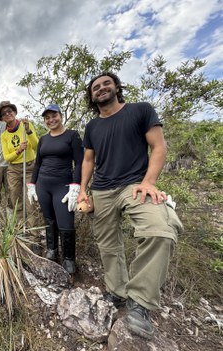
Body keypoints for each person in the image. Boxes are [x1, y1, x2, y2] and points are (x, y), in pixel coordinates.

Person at [78, 72, 183, 339]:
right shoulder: (92, 126)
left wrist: (149, 182)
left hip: (134, 185)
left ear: (116, 87)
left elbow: (159, 147)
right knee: (107, 243)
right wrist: (82, 191)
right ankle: (118, 292)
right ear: (91, 96)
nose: (101, 89)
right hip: (101, 190)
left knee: (160, 230)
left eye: (106, 84)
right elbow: (88, 160)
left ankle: (140, 303)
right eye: (95, 87)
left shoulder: (140, 111)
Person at [27, 104, 83, 273]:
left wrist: (76, 185)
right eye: (47, 118)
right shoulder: (43, 139)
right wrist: (32, 184)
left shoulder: (72, 136)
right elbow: (38, 163)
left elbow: (80, 162)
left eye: (54, 116)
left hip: (63, 185)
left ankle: (68, 258)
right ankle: (52, 250)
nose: (51, 120)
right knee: (49, 219)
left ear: (61, 115)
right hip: (43, 184)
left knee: (65, 222)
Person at [0, 101, 39, 242]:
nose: (7, 114)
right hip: (13, 169)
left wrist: (28, 131)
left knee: (30, 201)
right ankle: (20, 231)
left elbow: (36, 146)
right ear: (2, 118)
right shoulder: (4, 135)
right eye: (4, 113)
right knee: (16, 199)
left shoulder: (25, 126)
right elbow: (7, 157)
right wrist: (18, 150)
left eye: (9, 111)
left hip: (29, 167)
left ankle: (34, 236)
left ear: (14, 112)